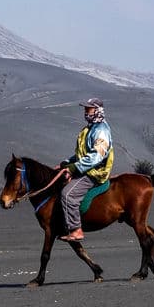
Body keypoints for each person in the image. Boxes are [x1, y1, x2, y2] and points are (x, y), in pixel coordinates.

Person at [56, 98, 114, 242]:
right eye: (85, 109)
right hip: (87, 168)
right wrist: (67, 163)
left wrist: (74, 168)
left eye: (89, 109)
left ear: (97, 111)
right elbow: (82, 153)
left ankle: (76, 230)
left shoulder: (101, 131)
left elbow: (96, 156)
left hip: (95, 172)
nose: (86, 112)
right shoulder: (89, 128)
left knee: (67, 194)